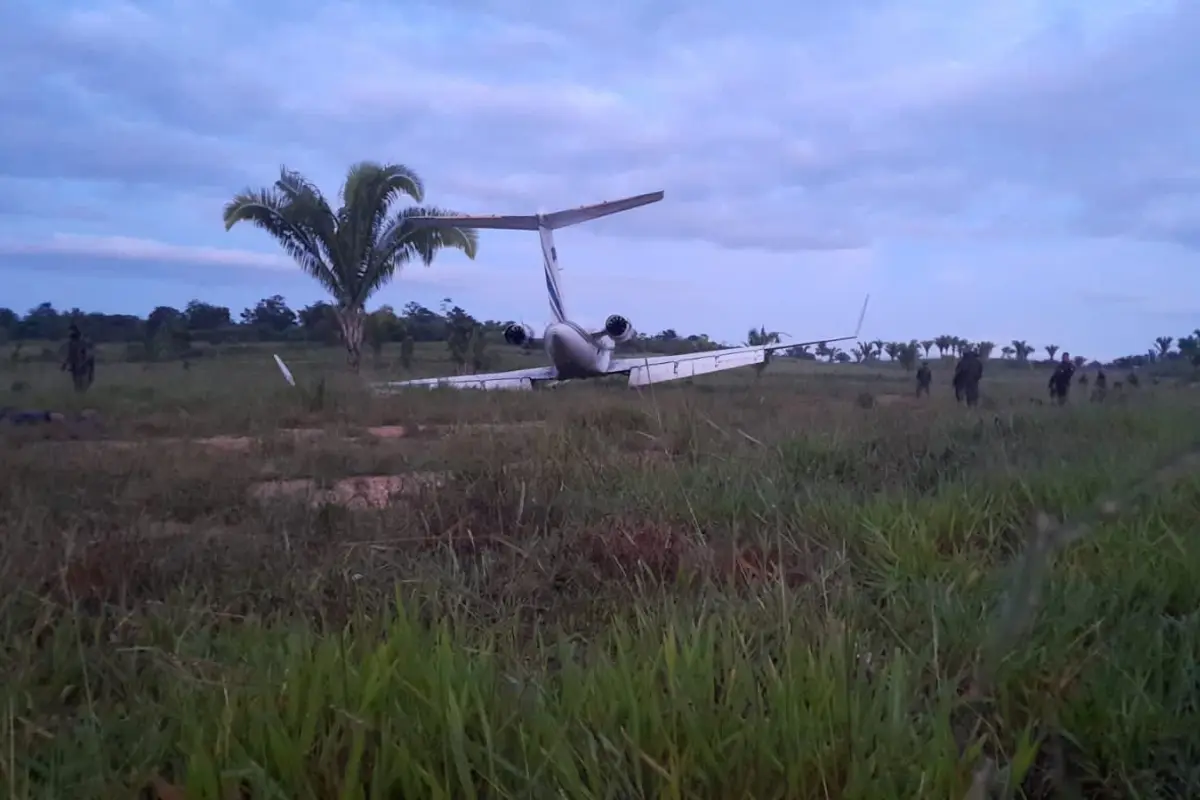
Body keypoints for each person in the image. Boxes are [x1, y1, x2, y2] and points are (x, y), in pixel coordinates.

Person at [62, 324, 95, 392]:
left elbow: (87, 355)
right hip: (76, 364)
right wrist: (65, 364)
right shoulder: (72, 343)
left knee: (83, 381)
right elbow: (70, 354)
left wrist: (82, 363)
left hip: (84, 364)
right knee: (77, 382)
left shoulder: (83, 342)